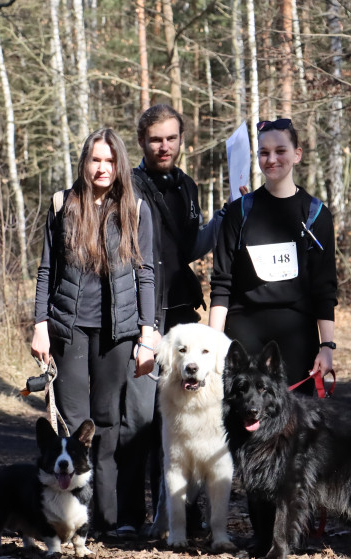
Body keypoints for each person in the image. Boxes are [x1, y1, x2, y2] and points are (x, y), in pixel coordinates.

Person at [32, 128, 156, 532]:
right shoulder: (61, 205)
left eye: (109, 160)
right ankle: (72, 521)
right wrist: (39, 326)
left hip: (116, 333)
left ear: (119, 163)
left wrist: (146, 332)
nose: (102, 168)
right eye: (95, 160)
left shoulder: (135, 208)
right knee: (73, 423)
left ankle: (108, 519)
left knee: (106, 424)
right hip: (68, 329)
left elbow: (146, 274)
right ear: (85, 163)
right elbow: (46, 270)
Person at [115, 104, 222, 535]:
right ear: (142, 141)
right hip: (142, 316)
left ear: (181, 141)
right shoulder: (129, 187)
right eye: (156, 139)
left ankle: (176, 515)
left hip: (180, 316)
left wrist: (224, 219)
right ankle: (126, 517)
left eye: (171, 138)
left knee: (179, 419)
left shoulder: (187, 186)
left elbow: (192, 246)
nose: (165, 146)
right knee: (138, 420)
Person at [209, 118, 337, 394]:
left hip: (297, 340)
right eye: (264, 153)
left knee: (296, 427)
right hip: (243, 338)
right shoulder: (238, 213)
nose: (272, 159)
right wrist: (214, 343)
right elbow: (221, 285)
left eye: (280, 151)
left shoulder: (316, 215)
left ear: (297, 154)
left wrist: (327, 346)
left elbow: (324, 289)